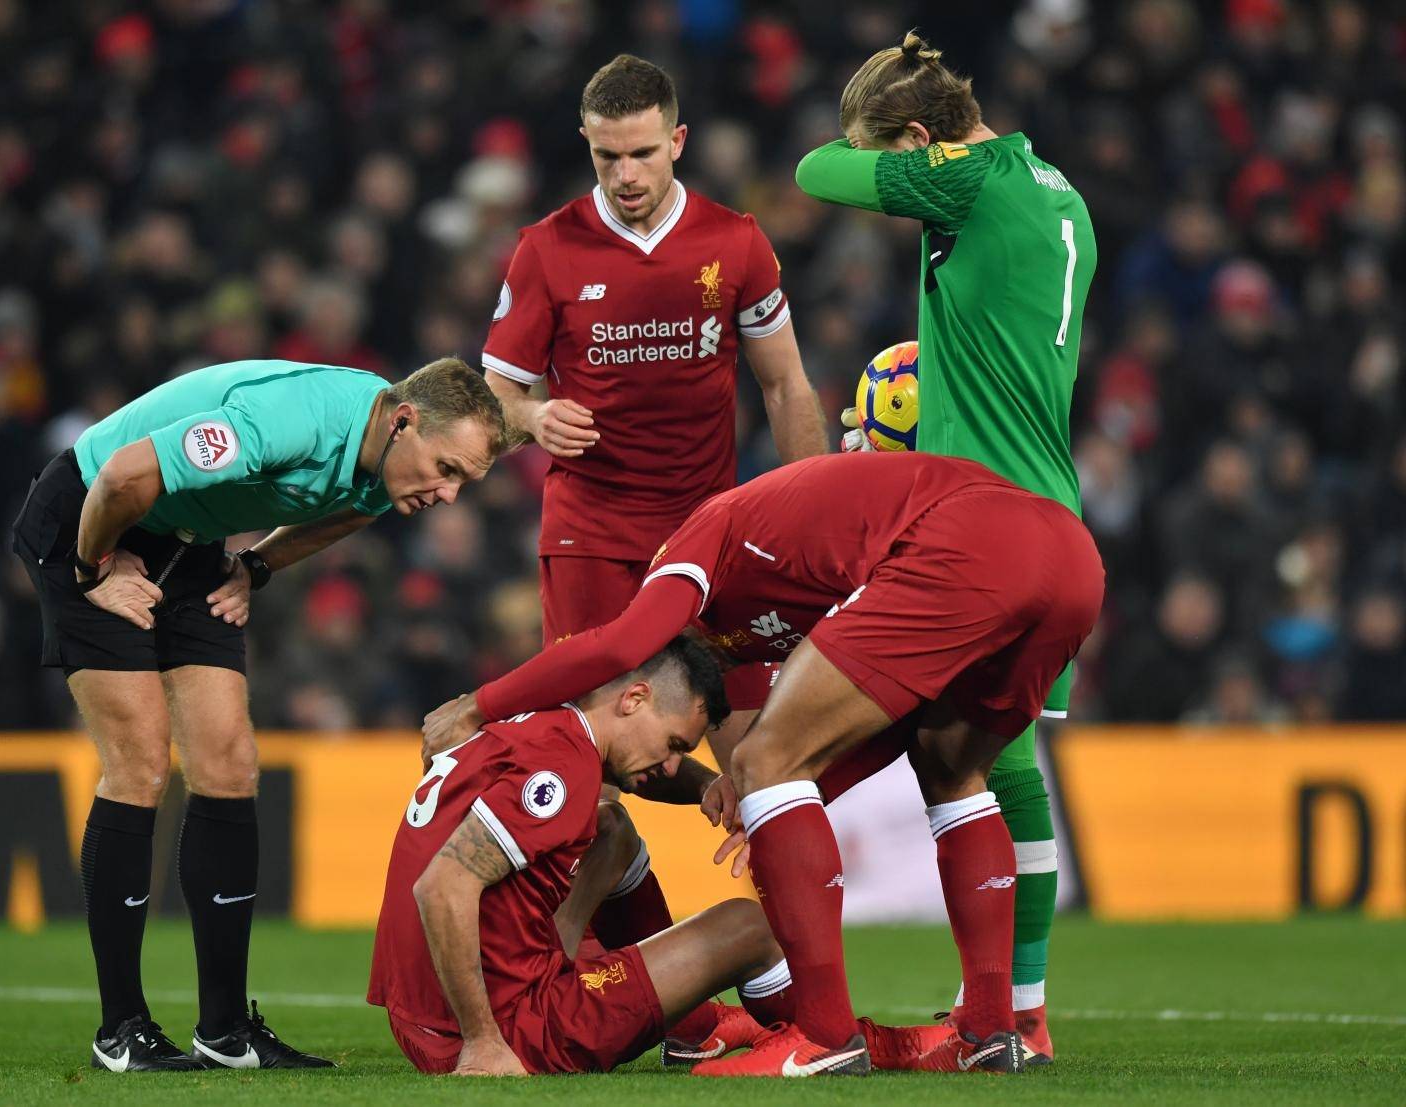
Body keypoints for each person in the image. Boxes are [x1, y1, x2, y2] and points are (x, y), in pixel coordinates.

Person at [425, 451, 1105, 1075]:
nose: (664, 768)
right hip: (1071, 560)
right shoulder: (793, 603)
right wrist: (767, 793)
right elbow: (893, 726)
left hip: (970, 542)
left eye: (672, 748)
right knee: (951, 769)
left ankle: (824, 1038)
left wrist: (482, 703)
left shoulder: (694, 546)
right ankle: (988, 1031)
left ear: (642, 691)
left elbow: (619, 646)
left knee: (768, 758)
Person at [10, 356, 503, 1072]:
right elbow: (122, 475)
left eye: (463, 480)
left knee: (230, 766)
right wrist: (95, 569)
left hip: (188, 542)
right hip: (91, 516)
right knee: (142, 765)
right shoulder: (291, 420)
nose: (449, 493)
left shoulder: (387, 460)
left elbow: (343, 515)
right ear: (403, 421)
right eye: (446, 467)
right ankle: (121, 1027)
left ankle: (226, 1029)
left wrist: (258, 566)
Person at [480, 50, 827, 978]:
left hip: (714, 542)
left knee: (764, 765)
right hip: (591, 535)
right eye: (606, 159)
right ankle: (569, 977)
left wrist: (821, 522)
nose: (625, 177)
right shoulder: (546, 249)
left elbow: (785, 383)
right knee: (584, 773)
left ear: (676, 141)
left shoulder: (736, 242)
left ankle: (806, 1003)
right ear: (586, 149)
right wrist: (530, 416)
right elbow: (495, 393)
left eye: (641, 154)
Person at [797, 30, 1099, 1061]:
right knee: (993, 764)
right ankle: (1015, 1010)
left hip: (985, 525)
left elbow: (815, 170)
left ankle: (798, 990)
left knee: (843, 744)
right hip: (1048, 509)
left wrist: (882, 140)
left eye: (904, 159)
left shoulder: (968, 181)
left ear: (927, 142)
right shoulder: (1055, 190)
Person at [373, 636, 799, 1076]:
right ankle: (813, 1040)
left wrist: (705, 786)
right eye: (674, 745)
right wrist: (483, 1043)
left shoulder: (535, 723)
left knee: (612, 831)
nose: (672, 765)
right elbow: (441, 887)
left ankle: (683, 1026)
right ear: (634, 698)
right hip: (502, 1032)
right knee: (749, 926)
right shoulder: (563, 765)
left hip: (419, 1019)